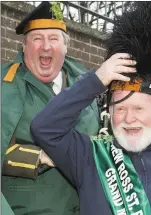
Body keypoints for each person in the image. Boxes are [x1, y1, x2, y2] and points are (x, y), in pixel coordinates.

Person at [30, 2, 151, 215]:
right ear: (109, 113)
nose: (129, 118)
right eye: (119, 109)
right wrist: (97, 80)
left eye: (138, 108)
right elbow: (44, 128)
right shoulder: (89, 156)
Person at [1, 2, 100, 214]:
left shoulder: (86, 85)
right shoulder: (3, 85)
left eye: (54, 39)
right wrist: (38, 156)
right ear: (24, 46)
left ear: (65, 47)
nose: (46, 46)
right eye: (37, 38)